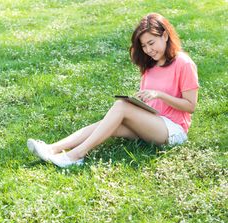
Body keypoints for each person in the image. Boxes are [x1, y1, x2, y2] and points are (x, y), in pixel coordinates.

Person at [27, 12, 199, 168]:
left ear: (165, 35)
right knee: (110, 124)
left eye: (151, 43)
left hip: (174, 131)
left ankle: (75, 156)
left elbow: (190, 106)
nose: (148, 50)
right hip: (154, 122)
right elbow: (153, 103)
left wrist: (160, 95)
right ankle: (52, 149)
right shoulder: (150, 66)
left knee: (121, 106)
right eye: (144, 45)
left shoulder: (183, 63)